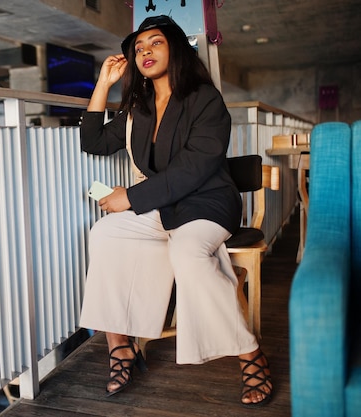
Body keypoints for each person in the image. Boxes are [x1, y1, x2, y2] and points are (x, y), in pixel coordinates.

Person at [78, 15, 273, 407]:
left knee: (187, 252)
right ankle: (120, 345)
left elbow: (194, 168)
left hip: (207, 202)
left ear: (176, 49)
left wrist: (130, 197)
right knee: (105, 233)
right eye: (139, 48)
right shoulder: (139, 107)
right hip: (161, 205)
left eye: (155, 43)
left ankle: (250, 354)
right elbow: (93, 140)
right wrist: (103, 84)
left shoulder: (205, 99)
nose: (145, 51)